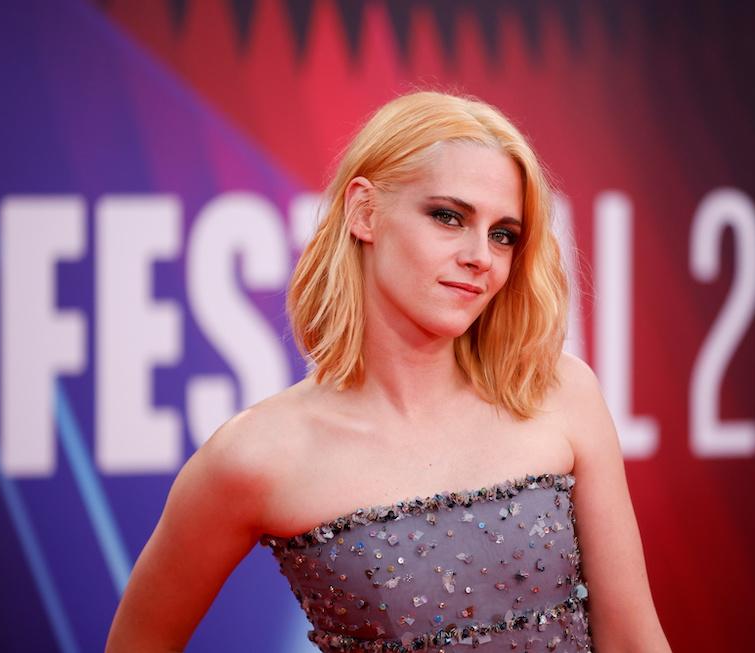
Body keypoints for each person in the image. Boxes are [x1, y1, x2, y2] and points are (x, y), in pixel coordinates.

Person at [106, 90, 671, 652]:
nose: (481, 256)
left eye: (503, 235)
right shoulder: (257, 454)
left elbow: (633, 639)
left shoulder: (558, 393)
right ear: (364, 212)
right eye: (448, 217)